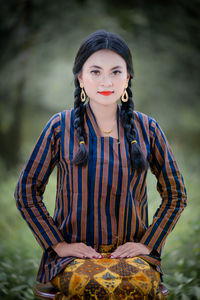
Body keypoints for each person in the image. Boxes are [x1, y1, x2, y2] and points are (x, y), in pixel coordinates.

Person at [15, 30, 187, 299]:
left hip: (130, 257)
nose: (106, 81)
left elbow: (176, 194)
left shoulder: (148, 129)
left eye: (116, 72)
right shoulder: (59, 127)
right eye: (95, 71)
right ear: (81, 78)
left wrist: (147, 244)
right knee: (91, 287)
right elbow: (26, 190)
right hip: (71, 258)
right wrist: (58, 245)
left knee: (134, 286)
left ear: (127, 77)